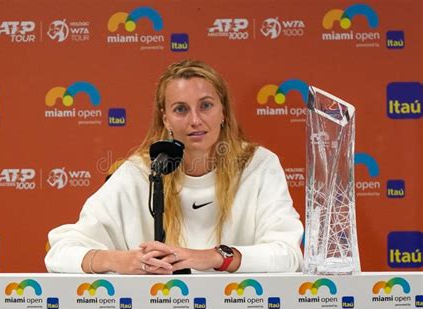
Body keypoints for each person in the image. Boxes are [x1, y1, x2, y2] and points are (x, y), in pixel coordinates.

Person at [45, 60, 304, 274]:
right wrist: (117, 261)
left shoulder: (258, 166)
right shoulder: (140, 172)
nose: (195, 120)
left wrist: (215, 257)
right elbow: (60, 252)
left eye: (206, 106)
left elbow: (289, 256)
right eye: (181, 109)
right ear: (165, 118)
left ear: (223, 111)